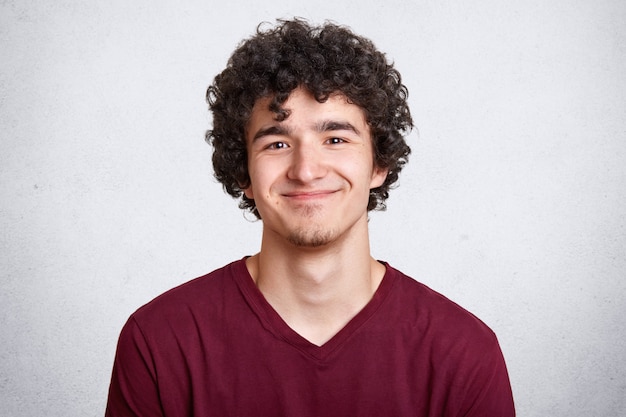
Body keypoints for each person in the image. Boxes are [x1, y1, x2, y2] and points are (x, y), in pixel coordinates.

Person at [105, 18, 515, 416]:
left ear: (379, 164)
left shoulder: (463, 353)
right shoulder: (160, 341)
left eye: (335, 139)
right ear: (243, 171)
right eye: (278, 143)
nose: (306, 170)